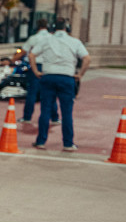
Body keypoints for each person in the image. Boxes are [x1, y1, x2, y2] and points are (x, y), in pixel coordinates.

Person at [28, 17, 90, 152]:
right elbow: (86, 58)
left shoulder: (46, 40)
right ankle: (68, 143)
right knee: (67, 112)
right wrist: (80, 75)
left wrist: (36, 71)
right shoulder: (74, 41)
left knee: (45, 110)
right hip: (67, 77)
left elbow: (32, 55)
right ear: (66, 27)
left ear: (53, 27)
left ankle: (41, 141)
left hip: (48, 75)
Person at [18, 18, 57, 124]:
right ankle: (55, 118)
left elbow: (24, 51)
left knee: (32, 93)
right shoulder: (52, 38)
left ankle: (27, 117)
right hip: (49, 67)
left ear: (37, 26)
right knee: (50, 93)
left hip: (36, 66)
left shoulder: (33, 38)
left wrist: (12, 59)